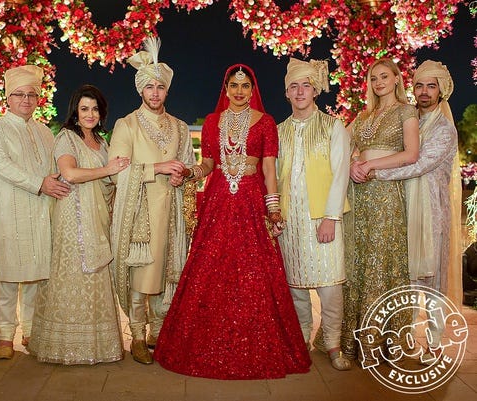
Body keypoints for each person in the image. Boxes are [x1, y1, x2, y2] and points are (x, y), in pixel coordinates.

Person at [153, 64, 311, 379]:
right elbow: (209, 163)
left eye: (245, 86)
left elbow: (269, 169)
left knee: (254, 271)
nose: (239, 91)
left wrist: (273, 207)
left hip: (251, 200)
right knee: (211, 267)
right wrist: (191, 172)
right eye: (234, 86)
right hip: (220, 201)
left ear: (253, 91)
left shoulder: (266, 122)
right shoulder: (213, 122)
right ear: (225, 89)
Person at [109, 36, 195, 365]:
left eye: (160, 87)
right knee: (141, 276)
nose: (155, 93)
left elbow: (188, 164)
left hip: (171, 210)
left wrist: (181, 174)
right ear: (140, 90)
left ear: (167, 91)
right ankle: (136, 335)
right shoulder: (126, 125)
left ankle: (159, 331)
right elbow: (116, 172)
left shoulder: (180, 127)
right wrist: (157, 168)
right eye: (149, 87)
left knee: (168, 272)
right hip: (140, 212)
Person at [365, 60, 459, 359]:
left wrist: (374, 172)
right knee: (401, 276)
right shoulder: (407, 119)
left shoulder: (444, 129)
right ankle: (399, 337)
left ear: (442, 91)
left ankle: (434, 343)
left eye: (431, 86)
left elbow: (417, 164)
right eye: (419, 85)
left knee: (432, 281)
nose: (424, 92)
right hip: (400, 206)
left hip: (431, 213)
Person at [28, 85, 127, 364]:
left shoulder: (102, 142)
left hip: (98, 217)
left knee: (95, 274)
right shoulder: (67, 138)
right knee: (73, 273)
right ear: (75, 111)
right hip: (73, 217)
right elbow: (69, 173)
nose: (90, 114)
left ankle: (96, 345)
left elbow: (112, 178)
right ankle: (65, 345)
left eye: (95, 109)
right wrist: (108, 169)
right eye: (84, 109)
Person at [0, 65, 71, 360]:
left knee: (35, 274)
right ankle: (6, 335)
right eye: (19, 94)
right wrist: (39, 183)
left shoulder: (44, 131)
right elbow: (0, 166)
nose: (26, 100)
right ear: (8, 98)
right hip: (9, 211)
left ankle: (31, 331)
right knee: (8, 276)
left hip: (40, 210)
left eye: (31, 94)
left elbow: (54, 168)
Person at [341, 58, 420, 363]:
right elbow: (342, 144)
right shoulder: (363, 115)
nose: (379, 83)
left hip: (386, 194)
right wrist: (353, 164)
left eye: (384, 76)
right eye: (374, 78)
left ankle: (384, 340)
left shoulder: (406, 111)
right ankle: (353, 338)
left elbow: (411, 154)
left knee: (382, 258)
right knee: (358, 259)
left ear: (397, 78)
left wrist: (369, 164)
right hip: (359, 194)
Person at [277, 58, 351, 371]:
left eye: (305, 85)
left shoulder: (333, 127)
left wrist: (331, 217)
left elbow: (341, 174)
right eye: (293, 86)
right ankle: (302, 341)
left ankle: (332, 343)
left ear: (315, 90)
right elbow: (273, 176)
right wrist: (274, 215)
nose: (299, 91)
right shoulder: (279, 131)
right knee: (295, 287)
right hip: (290, 222)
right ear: (286, 93)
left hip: (323, 220)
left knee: (330, 287)